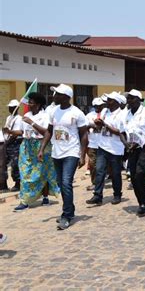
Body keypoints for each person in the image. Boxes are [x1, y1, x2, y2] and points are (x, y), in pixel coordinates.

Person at [39, 84, 88, 230]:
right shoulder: (53, 111)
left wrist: (82, 154)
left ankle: (66, 216)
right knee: (61, 184)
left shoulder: (77, 113)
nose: (54, 97)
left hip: (71, 152)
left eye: (57, 94)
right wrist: (42, 148)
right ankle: (70, 210)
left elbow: (84, 134)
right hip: (56, 152)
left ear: (66, 97)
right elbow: (49, 131)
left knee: (66, 182)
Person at [13, 92, 60, 211]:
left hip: (41, 145)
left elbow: (46, 132)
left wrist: (32, 123)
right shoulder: (26, 115)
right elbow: (22, 132)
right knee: (25, 173)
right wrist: (10, 132)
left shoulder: (45, 116)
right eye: (29, 102)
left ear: (38, 104)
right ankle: (25, 201)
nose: (29, 104)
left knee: (41, 173)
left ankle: (45, 197)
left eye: (31, 102)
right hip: (27, 146)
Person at [121, 89, 145, 216]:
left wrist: (139, 142)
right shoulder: (126, 114)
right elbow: (121, 132)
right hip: (132, 148)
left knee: (140, 172)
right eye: (128, 98)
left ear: (138, 99)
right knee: (134, 176)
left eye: (131, 98)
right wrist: (126, 144)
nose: (128, 100)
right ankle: (141, 201)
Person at [86, 92, 125, 205]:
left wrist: (105, 125)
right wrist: (97, 124)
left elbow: (120, 132)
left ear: (117, 102)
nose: (107, 102)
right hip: (102, 146)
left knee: (115, 173)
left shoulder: (122, 114)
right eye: (107, 99)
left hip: (115, 148)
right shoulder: (104, 112)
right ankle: (97, 195)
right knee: (99, 170)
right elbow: (99, 127)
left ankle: (117, 194)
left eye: (110, 100)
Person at [85, 98, 105, 191]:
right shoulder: (89, 115)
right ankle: (95, 182)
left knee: (102, 165)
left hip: (104, 143)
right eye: (97, 105)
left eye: (100, 105)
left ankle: (101, 182)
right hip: (92, 143)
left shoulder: (106, 113)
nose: (99, 107)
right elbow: (84, 126)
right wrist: (91, 125)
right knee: (93, 164)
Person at [2, 99, 23, 192]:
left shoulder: (19, 119)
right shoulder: (9, 118)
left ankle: (18, 183)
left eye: (12, 107)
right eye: (10, 107)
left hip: (15, 143)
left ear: (17, 108)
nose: (10, 109)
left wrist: (7, 143)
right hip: (7, 142)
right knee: (3, 163)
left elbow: (16, 134)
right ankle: (3, 184)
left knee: (15, 164)